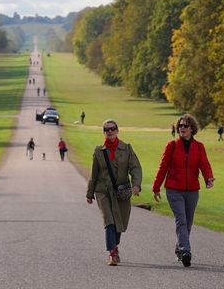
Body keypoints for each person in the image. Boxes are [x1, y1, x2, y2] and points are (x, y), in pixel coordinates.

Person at [152, 114, 215, 267]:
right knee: (181, 219)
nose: (181, 128)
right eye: (179, 126)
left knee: (188, 223)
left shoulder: (199, 146)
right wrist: (156, 187)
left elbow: (204, 164)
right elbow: (163, 167)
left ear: (192, 129)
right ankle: (186, 251)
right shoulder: (171, 145)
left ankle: (179, 248)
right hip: (174, 189)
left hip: (192, 190)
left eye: (185, 126)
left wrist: (209, 178)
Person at [86, 119, 143, 266]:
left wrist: (136, 185)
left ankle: (115, 245)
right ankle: (112, 253)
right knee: (109, 221)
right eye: (106, 129)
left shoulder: (127, 148)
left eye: (112, 129)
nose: (110, 131)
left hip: (122, 192)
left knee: (120, 223)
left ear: (117, 130)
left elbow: (135, 168)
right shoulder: (99, 151)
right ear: (104, 132)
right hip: (103, 191)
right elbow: (94, 173)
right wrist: (89, 193)